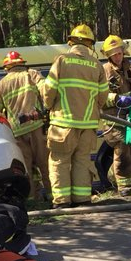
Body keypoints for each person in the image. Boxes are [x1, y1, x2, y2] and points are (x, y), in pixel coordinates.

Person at [40, 24, 110, 209]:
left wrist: (48, 106)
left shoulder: (62, 60)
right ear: (90, 44)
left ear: (71, 42)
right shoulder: (97, 65)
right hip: (88, 125)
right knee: (82, 161)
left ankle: (62, 202)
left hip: (63, 123)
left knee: (60, 162)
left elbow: (49, 90)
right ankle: (82, 199)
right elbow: (103, 96)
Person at [0, 51, 51, 202]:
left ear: (6, 68)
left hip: (17, 131)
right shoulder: (32, 75)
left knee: (26, 168)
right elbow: (47, 92)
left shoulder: (1, 84)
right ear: (22, 63)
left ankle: (32, 200)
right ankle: (52, 195)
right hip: (36, 126)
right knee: (46, 164)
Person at [100, 34, 131, 196]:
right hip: (113, 119)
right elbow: (98, 96)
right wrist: (116, 99)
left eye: (119, 53)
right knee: (122, 149)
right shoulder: (103, 71)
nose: (117, 57)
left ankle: (116, 178)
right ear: (108, 56)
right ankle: (124, 188)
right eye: (114, 54)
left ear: (123, 52)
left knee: (130, 149)